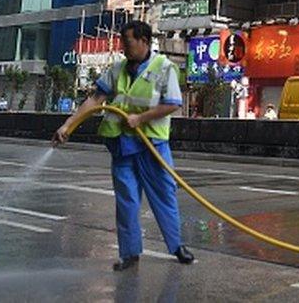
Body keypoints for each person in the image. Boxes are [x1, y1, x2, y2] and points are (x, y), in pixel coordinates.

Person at [53, 20, 195, 270]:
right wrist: (68, 125)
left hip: (152, 146)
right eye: (122, 43)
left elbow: (173, 104)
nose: (123, 48)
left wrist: (140, 118)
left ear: (144, 41)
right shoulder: (117, 69)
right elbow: (95, 99)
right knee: (127, 200)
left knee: (164, 196)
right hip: (122, 146)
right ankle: (130, 253)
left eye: (127, 43)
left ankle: (176, 246)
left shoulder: (165, 68)